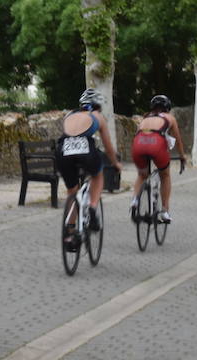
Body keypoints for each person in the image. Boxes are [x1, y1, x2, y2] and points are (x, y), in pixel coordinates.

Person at [56, 88, 120, 247]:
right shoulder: (98, 117)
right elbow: (108, 147)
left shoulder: (70, 115)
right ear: (98, 106)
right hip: (86, 152)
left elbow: (67, 135)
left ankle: (70, 231)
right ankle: (92, 208)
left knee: (72, 192)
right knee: (98, 176)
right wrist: (115, 163)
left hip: (63, 152)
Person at [129, 94, 188, 224]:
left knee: (142, 175)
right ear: (167, 108)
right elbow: (178, 140)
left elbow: (136, 135)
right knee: (165, 175)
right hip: (156, 144)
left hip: (138, 144)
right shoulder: (170, 118)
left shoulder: (145, 118)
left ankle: (134, 201)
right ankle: (165, 211)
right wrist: (182, 156)